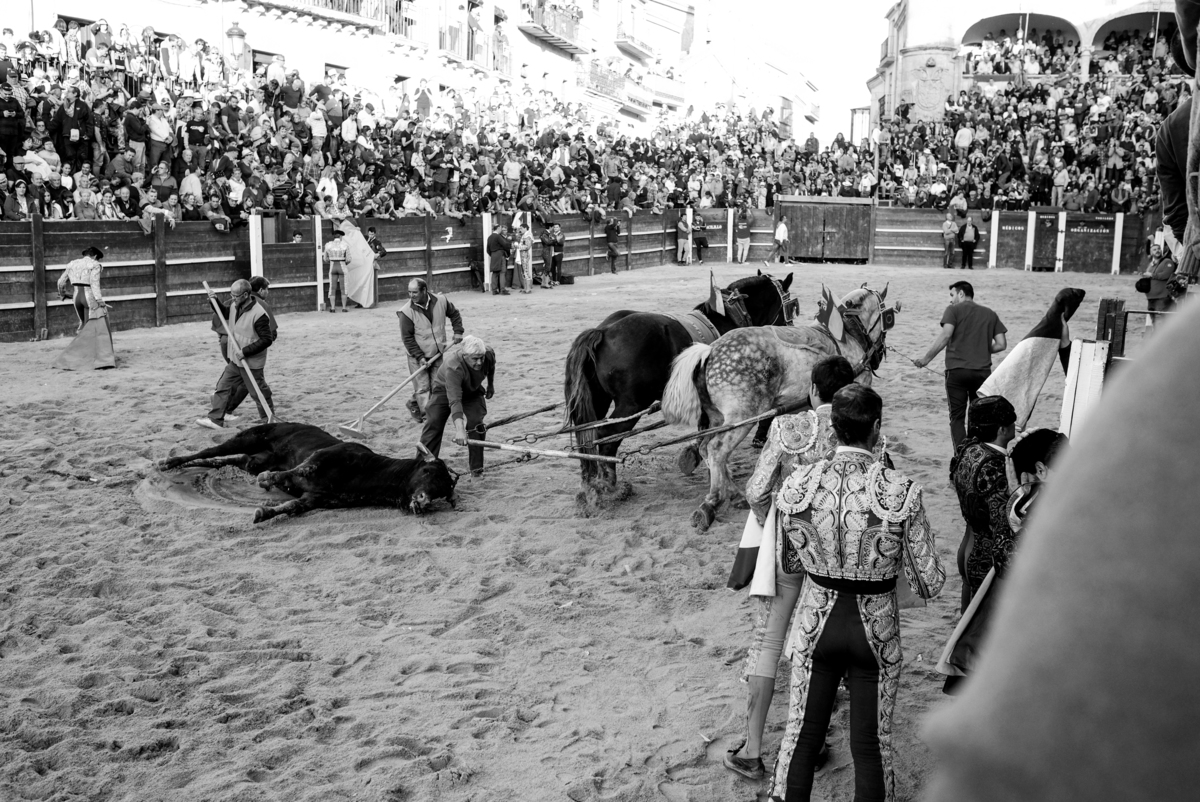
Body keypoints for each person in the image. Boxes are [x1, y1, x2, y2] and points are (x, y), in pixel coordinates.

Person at [767, 384, 945, 801]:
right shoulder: (901, 490)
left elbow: (789, 562)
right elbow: (929, 582)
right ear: (877, 428)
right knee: (870, 745)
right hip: (876, 631)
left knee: (801, 735)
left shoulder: (797, 485)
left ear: (833, 428)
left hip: (815, 624)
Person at [724, 356, 859, 782]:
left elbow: (757, 489)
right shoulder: (865, 431)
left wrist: (772, 525)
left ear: (814, 390)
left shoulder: (789, 428)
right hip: (838, 556)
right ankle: (813, 743)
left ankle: (751, 751)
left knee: (768, 641)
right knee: (818, 642)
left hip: (790, 548)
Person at [913, 281, 1008, 449]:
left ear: (961, 293)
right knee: (977, 415)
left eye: (952, 295)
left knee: (957, 418)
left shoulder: (953, 310)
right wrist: (981, 349)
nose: (950, 300)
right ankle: (977, 453)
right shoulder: (990, 314)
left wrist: (926, 359)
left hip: (957, 372)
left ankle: (961, 455)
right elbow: (1001, 344)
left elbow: (946, 335)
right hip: (982, 373)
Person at [949, 396, 1017, 617]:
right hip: (985, 559)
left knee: (965, 627)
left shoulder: (968, 450)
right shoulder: (996, 466)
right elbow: (1002, 524)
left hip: (968, 547)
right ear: (1002, 430)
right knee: (983, 631)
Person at [197, 279, 276, 430]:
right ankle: (215, 419)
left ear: (246, 294)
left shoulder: (259, 314)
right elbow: (224, 313)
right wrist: (214, 302)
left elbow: (267, 339)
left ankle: (269, 421)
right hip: (236, 359)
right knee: (223, 386)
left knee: (258, 392)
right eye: (231, 295)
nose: (232, 298)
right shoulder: (235, 305)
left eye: (236, 295)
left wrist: (245, 352)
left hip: (251, 362)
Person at [419, 334, 495, 476]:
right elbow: (455, 401)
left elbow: (491, 367)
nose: (479, 362)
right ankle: (420, 469)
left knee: (476, 424)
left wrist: (491, 385)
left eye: (481, 358)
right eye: (475, 359)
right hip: (444, 390)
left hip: (472, 390)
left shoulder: (488, 354)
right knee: (434, 422)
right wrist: (460, 430)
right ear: (464, 355)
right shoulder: (454, 367)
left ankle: (476, 471)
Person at [398, 278, 465, 423]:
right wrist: (420, 357)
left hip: (437, 352)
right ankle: (428, 417)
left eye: (414, 292)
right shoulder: (406, 312)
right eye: (409, 292)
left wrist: (458, 331)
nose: (411, 295)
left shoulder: (441, 301)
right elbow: (407, 339)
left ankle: (414, 404)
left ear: (424, 290)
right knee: (423, 388)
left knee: (437, 384)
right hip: (417, 356)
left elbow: (454, 314)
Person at [56, 246, 108, 333]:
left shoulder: (72, 264)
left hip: (76, 298)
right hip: (89, 298)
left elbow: (60, 282)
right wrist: (99, 300)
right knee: (90, 326)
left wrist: (62, 294)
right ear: (95, 256)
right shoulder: (95, 264)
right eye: (98, 258)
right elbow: (94, 283)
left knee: (82, 324)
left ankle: (81, 345)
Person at [322, 228, 351, 312]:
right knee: (343, 287)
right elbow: (348, 259)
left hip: (332, 266)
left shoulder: (328, 245)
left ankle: (332, 308)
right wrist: (344, 263)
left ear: (334, 236)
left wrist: (331, 261)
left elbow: (325, 259)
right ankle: (344, 308)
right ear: (341, 236)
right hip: (342, 266)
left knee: (332, 287)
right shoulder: (345, 245)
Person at [487, 223, 512, 295]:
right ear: (497, 228)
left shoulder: (490, 237)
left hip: (493, 255)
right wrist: (510, 246)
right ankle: (502, 290)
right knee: (502, 272)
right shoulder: (498, 236)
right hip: (500, 255)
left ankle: (494, 290)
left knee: (495, 272)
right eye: (500, 228)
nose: (501, 229)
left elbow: (487, 250)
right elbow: (505, 245)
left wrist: (493, 255)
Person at [513, 221, 534, 293]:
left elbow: (527, 246)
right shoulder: (524, 235)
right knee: (524, 272)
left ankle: (528, 289)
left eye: (521, 228)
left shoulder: (528, 236)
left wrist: (518, 246)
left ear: (525, 228)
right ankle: (526, 288)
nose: (520, 229)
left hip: (524, 255)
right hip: (522, 255)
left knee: (526, 271)